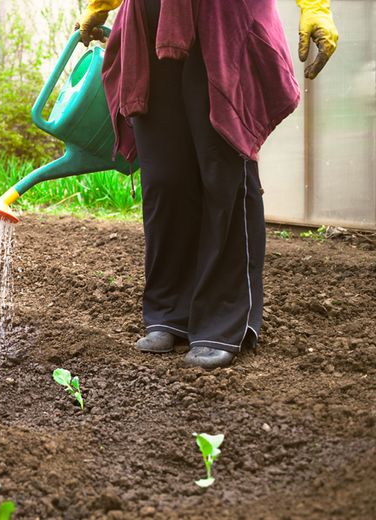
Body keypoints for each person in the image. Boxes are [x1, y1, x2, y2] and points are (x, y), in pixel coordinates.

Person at [76, 0, 338, 368]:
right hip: (149, 21)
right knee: (165, 177)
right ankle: (170, 310)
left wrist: (316, 7)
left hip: (223, 20)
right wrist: (101, 5)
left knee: (222, 167)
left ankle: (223, 320)